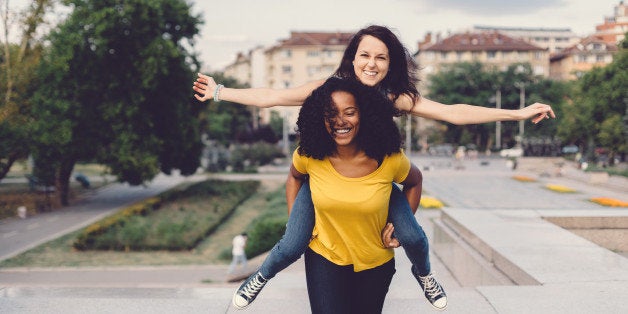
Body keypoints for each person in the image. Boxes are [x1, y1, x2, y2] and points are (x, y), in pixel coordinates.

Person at [194, 25, 555, 311]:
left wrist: (517, 112)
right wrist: (219, 91)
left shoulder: (393, 97)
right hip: (326, 176)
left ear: (389, 64)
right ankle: (256, 280)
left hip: (379, 177)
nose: (372, 63)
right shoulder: (329, 88)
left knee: (414, 237)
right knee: (291, 243)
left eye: (381, 58)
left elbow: (452, 111)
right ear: (352, 59)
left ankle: (425, 275)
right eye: (365, 54)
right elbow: (272, 96)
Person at [298, 77, 418, 312]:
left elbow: (415, 181)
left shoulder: (390, 158)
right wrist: (298, 223)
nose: (340, 121)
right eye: (331, 114)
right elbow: (294, 177)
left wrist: (400, 228)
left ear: (364, 115)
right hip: (324, 257)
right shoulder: (310, 155)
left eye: (349, 112)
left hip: (375, 261)